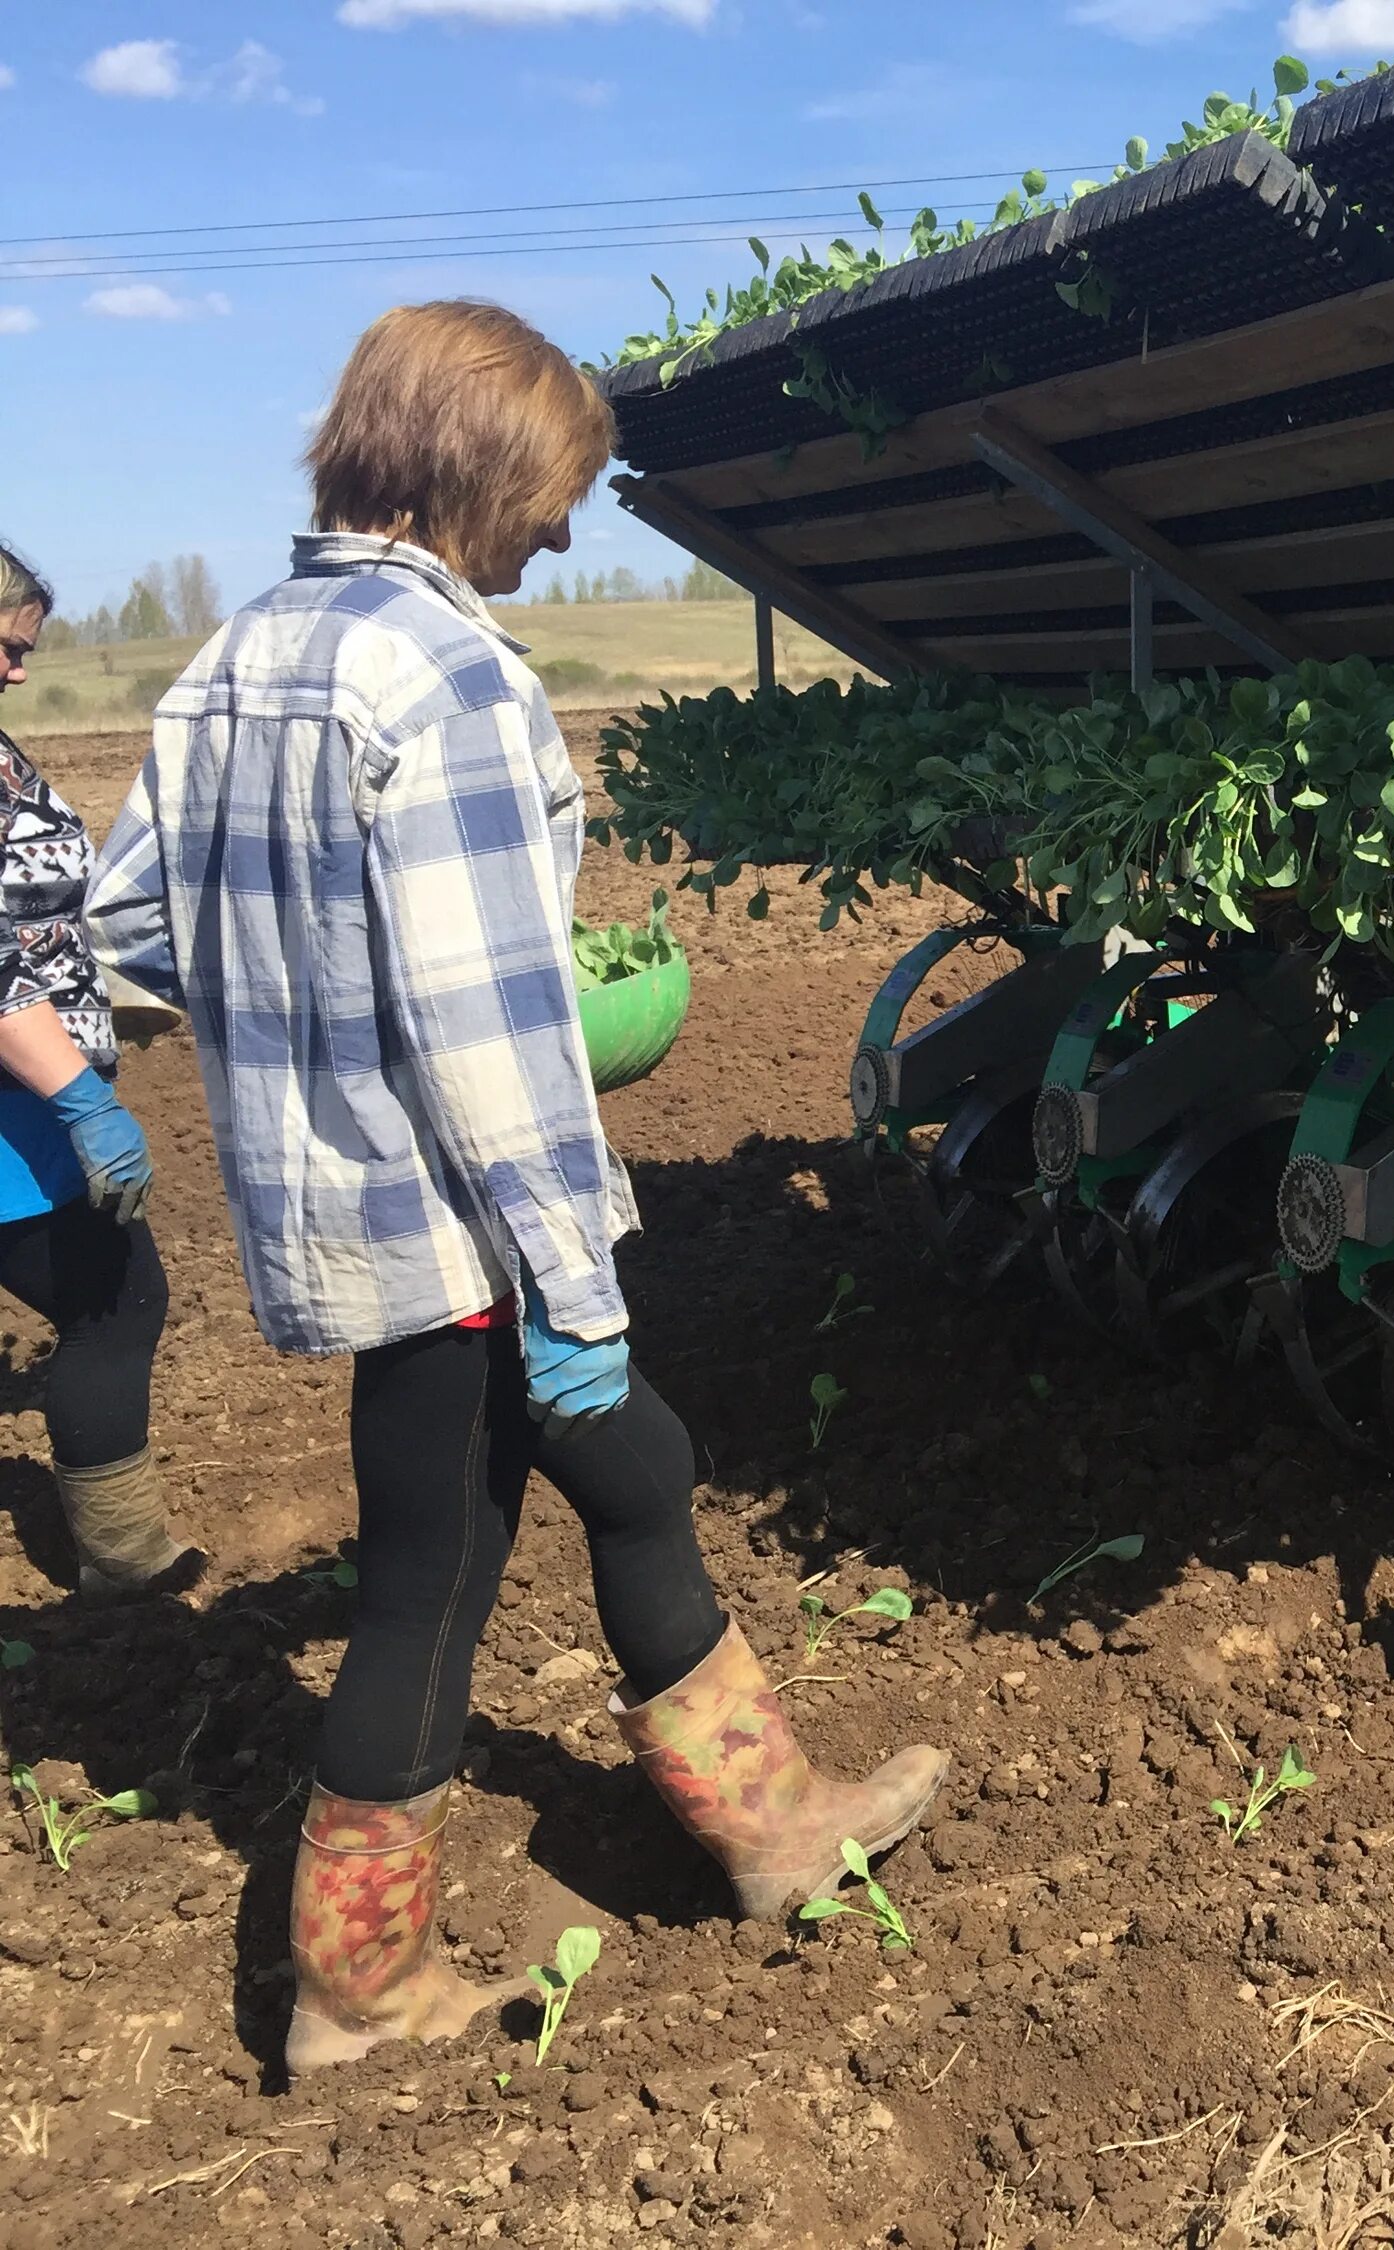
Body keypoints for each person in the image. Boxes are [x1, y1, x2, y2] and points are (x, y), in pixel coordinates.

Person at [83, 301, 947, 2076]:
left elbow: (129, 944)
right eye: (556, 493)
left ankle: (773, 1823)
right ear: (476, 469)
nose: (563, 536)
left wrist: (295, 1029)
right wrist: (574, 1280)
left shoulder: (234, 657)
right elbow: (490, 1038)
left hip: (339, 1210)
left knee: (637, 1468)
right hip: (463, 1225)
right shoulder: (451, 681)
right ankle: (355, 1995)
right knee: (432, 1577)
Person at [0, 545, 193, 1599]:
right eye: (7, 646)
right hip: (16, 1103)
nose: (19, 671)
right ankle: (124, 1561)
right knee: (116, 1301)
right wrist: (77, 1094)